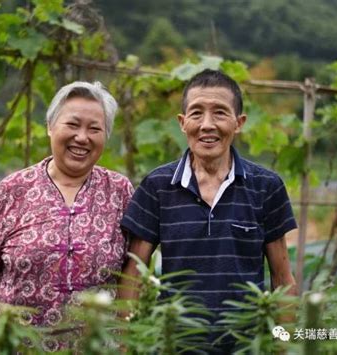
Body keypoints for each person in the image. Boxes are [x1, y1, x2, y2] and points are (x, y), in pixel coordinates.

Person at [119, 69, 297, 353]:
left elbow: (282, 279)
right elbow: (134, 276)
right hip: (174, 346)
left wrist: (284, 344)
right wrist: (124, 345)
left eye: (220, 113)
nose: (207, 125)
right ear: (182, 122)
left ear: (238, 123)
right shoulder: (158, 186)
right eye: (196, 113)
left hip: (246, 347)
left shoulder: (267, 187)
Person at [0, 81, 134, 352]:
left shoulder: (120, 191)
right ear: (50, 126)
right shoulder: (12, 190)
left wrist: (126, 344)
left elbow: (129, 276)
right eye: (72, 125)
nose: (82, 137)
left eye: (95, 129)